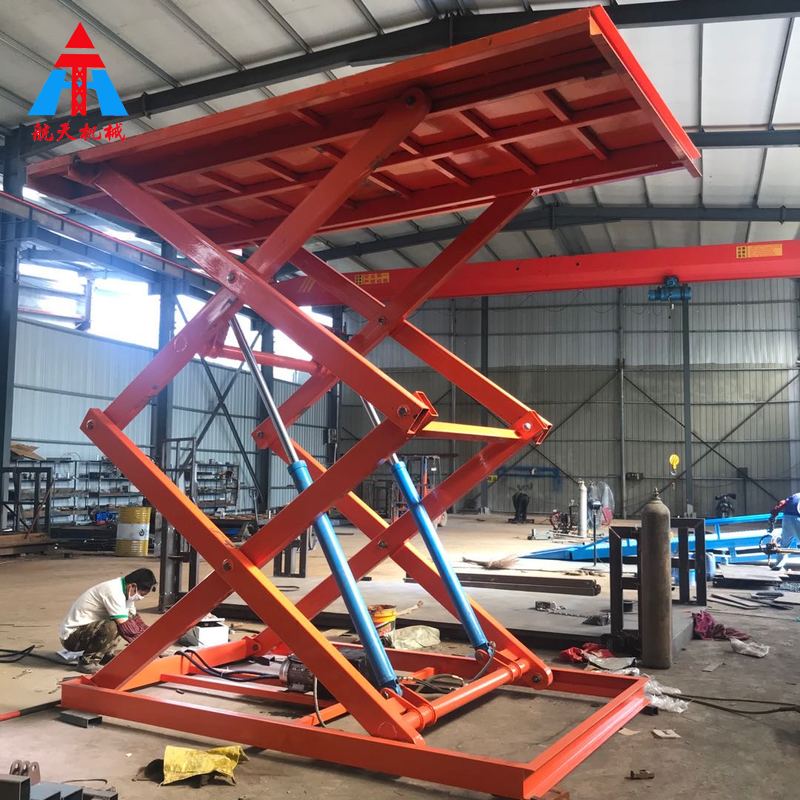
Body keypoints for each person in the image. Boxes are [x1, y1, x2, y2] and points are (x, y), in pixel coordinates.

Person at [59, 568, 156, 673]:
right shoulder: (113, 592)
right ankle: (87, 662)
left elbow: (136, 620)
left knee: (125, 619)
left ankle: (104, 655)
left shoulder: (126, 592)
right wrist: (145, 649)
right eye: (141, 594)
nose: (140, 598)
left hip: (87, 630)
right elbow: (126, 629)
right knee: (114, 625)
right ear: (132, 586)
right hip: (72, 637)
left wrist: (153, 641)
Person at [767, 493, 800, 570]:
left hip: (786, 518)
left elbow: (782, 503)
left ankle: (779, 565)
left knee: (784, 544)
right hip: (797, 519)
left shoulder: (795, 496)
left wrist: (773, 515)